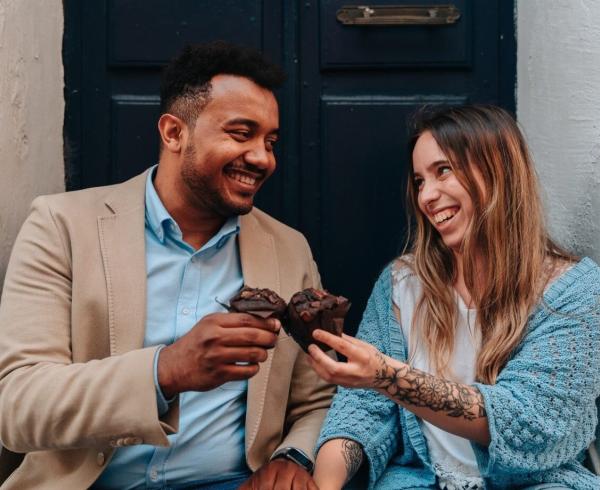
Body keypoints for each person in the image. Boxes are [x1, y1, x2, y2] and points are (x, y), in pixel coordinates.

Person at [0, 41, 333, 489]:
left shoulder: (289, 249)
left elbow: (316, 398)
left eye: (270, 141)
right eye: (240, 133)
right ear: (174, 133)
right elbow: (17, 407)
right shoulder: (61, 227)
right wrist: (165, 371)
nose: (262, 158)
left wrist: (294, 455)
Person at [307, 105, 600, 490]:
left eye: (443, 171)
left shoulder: (573, 289)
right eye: (418, 181)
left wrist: (384, 374)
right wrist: (325, 484)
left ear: (498, 170)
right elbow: (362, 407)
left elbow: (528, 421)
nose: (427, 195)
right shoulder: (402, 283)